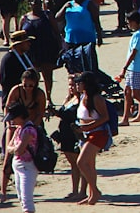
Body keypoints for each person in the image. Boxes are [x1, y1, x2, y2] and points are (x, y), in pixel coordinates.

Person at [74, 71, 109, 205]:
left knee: (81, 162)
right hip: (86, 134)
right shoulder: (83, 96)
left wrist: (87, 127)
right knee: (90, 165)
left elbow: (105, 117)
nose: (77, 85)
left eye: (79, 82)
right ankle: (92, 195)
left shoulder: (96, 98)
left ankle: (95, 191)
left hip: (97, 134)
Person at [51, 76, 87, 201]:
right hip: (65, 134)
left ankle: (83, 191)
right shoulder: (69, 99)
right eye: (70, 85)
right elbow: (63, 114)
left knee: (81, 164)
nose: (71, 88)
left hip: (74, 135)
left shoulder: (82, 100)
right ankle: (74, 190)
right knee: (74, 165)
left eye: (73, 85)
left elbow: (73, 116)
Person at [19, 0, 60, 98]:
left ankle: (48, 98)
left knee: (48, 76)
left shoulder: (47, 15)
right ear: (29, 4)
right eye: (34, 2)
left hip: (46, 50)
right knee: (32, 76)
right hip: (31, 52)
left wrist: (59, 47)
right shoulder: (24, 19)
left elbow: (56, 32)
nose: (37, 4)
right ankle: (34, 98)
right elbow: (19, 36)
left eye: (39, 2)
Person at [5, 101, 39, 213]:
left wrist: (14, 149)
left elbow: (18, 150)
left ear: (20, 116)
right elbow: (9, 147)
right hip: (19, 166)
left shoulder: (28, 130)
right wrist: (14, 149)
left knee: (26, 200)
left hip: (27, 167)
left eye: (13, 117)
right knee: (21, 197)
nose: (12, 121)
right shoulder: (20, 128)